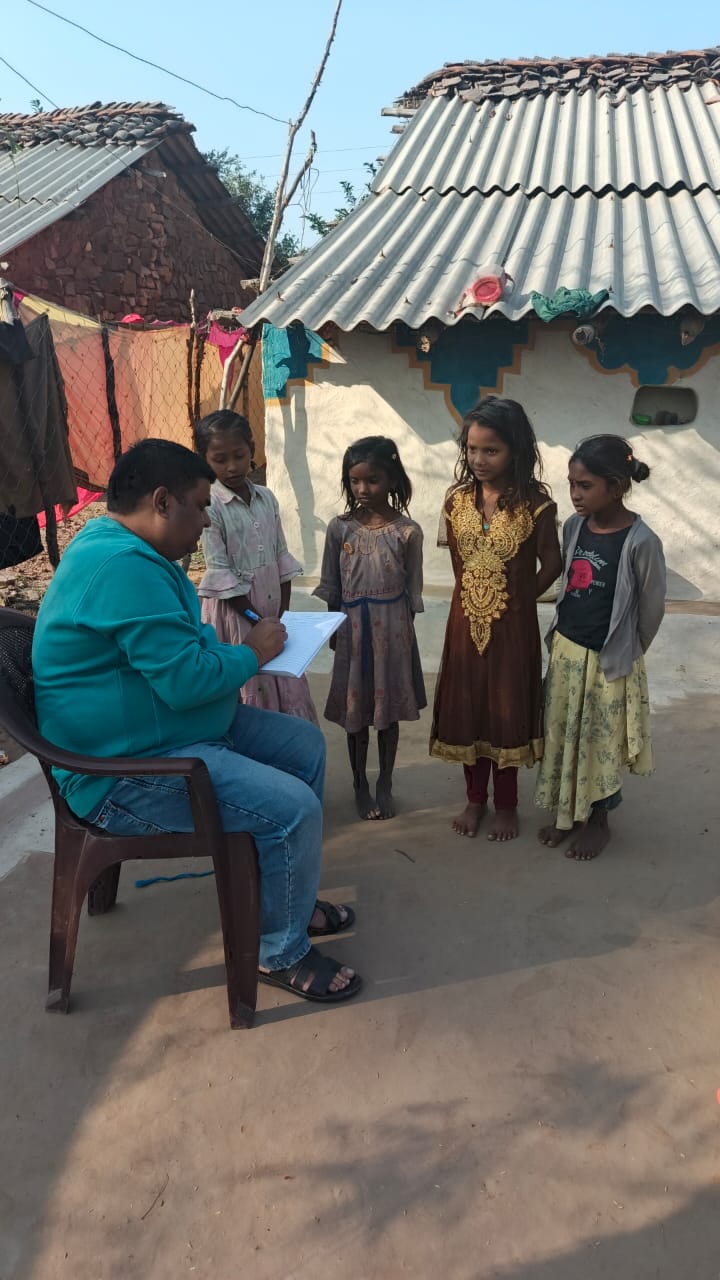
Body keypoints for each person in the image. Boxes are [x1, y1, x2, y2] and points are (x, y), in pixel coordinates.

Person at [32, 439, 361, 1004]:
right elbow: (186, 682)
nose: (208, 519)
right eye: (201, 505)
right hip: (124, 772)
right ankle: (280, 953)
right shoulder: (122, 568)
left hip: (172, 732)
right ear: (162, 501)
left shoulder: (131, 551)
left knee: (304, 745)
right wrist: (252, 654)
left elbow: (185, 651)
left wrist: (235, 654)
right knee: (293, 809)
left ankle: (288, 906)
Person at [430, 397, 562, 842]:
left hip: (513, 627)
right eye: (472, 449)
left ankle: (506, 805)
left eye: (491, 450)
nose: (479, 459)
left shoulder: (537, 505)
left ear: (516, 450)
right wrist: (473, 599)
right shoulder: (456, 501)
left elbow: (552, 563)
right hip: (464, 623)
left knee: (506, 708)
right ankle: (475, 800)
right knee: (469, 706)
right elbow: (460, 564)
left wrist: (519, 600)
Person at [535, 434, 666, 861]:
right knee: (564, 735)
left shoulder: (642, 542)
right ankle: (566, 814)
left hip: (609, 663)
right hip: (567, 653)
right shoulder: (574, 527)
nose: (575, 494)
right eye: (572, 484)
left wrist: (627, 652)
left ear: (617, 486)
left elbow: (651, 610)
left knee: (600, 743)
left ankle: (598, 821)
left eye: (585, 486)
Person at [314, 436, 425, 821]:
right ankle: (360, 783)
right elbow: (331, 585)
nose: (363, 489)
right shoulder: (339, 529)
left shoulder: (407, 532)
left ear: (392, 479)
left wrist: (402, 640)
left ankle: (385, 782)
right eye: (355, 481)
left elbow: (413, 591)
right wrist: (335, 628)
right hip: (352, 631)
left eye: (372, 480)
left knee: (387, 712)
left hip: (392, 634)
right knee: (355, 712)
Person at [194, 410, 317, 723]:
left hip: (272, 614)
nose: (232, 466)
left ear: (252, 450)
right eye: (219, 459)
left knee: (283, 679)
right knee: (251, 682)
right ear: (204, 460)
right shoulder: (210, 505)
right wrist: (257, 620)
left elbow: (282, 560)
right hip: (235, 618)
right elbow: (221, 575)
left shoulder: (266, 498)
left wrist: (281, 616)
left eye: (239, 455)